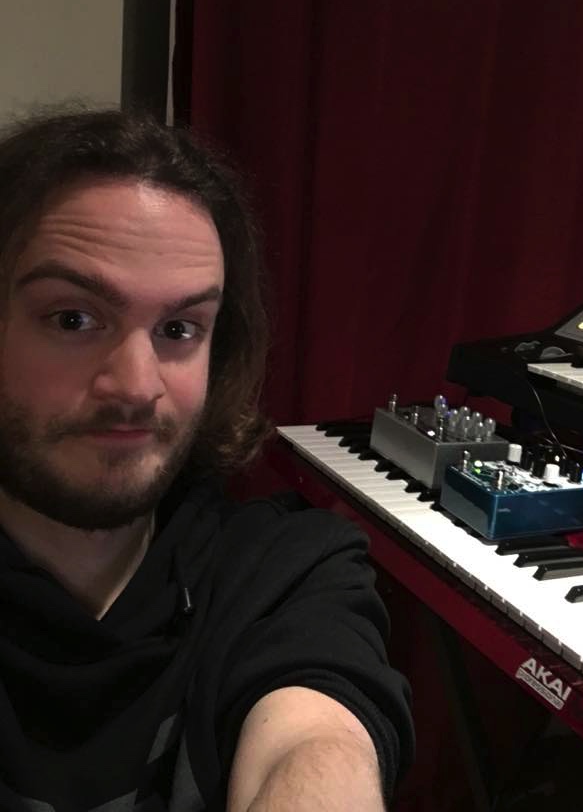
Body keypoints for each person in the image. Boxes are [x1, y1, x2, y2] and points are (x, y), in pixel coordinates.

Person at [0, 109, 414, 811]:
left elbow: (313, 741)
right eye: (73, 318)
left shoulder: (283, 571)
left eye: (179, 329)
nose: (136, 385)